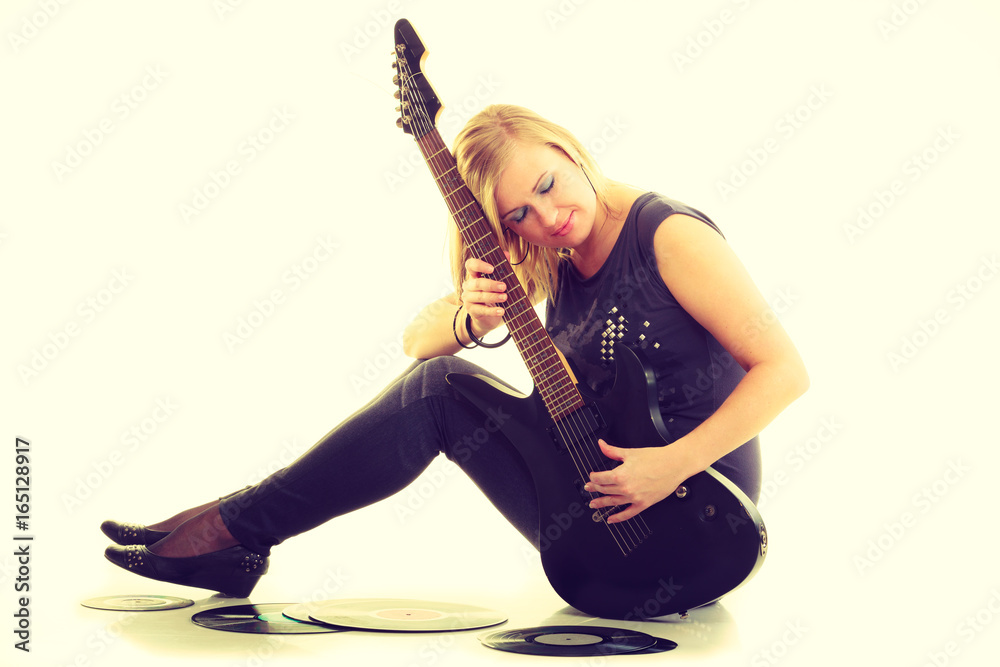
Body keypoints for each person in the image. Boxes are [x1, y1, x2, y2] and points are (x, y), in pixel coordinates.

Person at [101, 104, 809, 599]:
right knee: (439, 384)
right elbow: (415, 341)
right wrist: (470, 317)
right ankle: (239, 529)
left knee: (439, 383)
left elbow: (786, 370)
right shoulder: (549, 249)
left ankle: (230, 531)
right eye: (518, 215)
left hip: (692, 513)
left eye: (545, 184)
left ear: (565, 146)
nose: (548, 216)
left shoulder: (668, 235)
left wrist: (668, 466)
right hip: (594, 504)